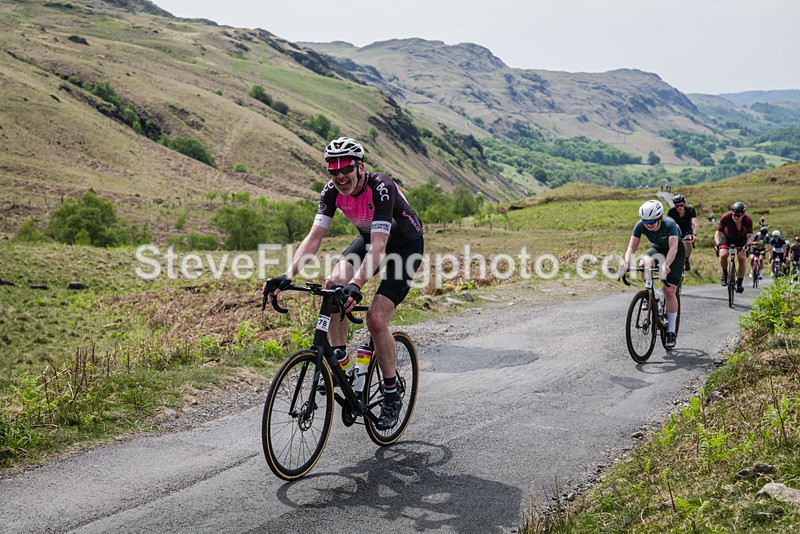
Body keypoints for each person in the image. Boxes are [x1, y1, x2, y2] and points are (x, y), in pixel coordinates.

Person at [263, 137, 424, 430]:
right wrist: (288, 276)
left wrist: (357, 284)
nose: (339, 177)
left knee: (376, 319)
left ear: (359, 167)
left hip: (404, 247)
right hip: (368, 239)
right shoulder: (331, 192)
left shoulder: (382, 188)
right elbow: (313, 239)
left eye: (346, 169)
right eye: (333, 171)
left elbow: (379, 248)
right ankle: (344, 367)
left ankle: (391, 394)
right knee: (333, 284)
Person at [622, 199, 685, 349]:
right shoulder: (640, 226)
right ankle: (651, 294)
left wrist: (666, 265)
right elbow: (631, 248)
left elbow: (673, 248)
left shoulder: (669, 225)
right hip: (657, 248)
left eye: (652, 222)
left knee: (670, 291)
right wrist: (626, 262)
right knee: (644, 263)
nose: (648, 225)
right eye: (646, 222)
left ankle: (670, 332)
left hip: (675, 252)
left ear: (659, 218)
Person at [714, 201, 753, 293]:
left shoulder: (747, 220)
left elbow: (750, 235)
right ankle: (725, 273)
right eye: (734, 214)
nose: (735, 217)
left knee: (742, 258)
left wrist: (748, 244)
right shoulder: (726, 217)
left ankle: (739, 282)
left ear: (743, 214)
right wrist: (717, 243)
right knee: (723, 254)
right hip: (728, 238)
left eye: (738, 215)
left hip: (741, 239)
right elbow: (718, 232)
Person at [666, 194, 698, 271]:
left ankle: (686, 260)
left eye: (681, 205)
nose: (680, 208)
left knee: (688, 242)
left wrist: (694, 234)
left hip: (687, 230)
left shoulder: (691, 210)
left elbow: (694, 223)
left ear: (684, 204)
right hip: (676, 230)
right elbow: (668, 224)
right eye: (677, 206)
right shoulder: (671, 212)